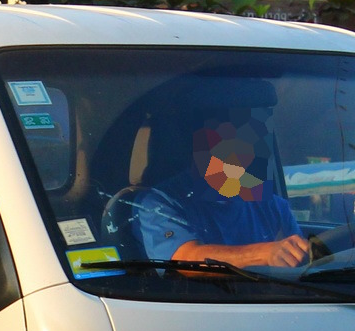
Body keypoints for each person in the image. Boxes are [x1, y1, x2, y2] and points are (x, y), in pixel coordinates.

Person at [129, 111, 310, 268]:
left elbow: (300, 265)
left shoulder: (272, 205)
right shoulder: (158, 203)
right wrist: (265, 254)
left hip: (275, 303)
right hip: (196, 305)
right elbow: (184, 260)